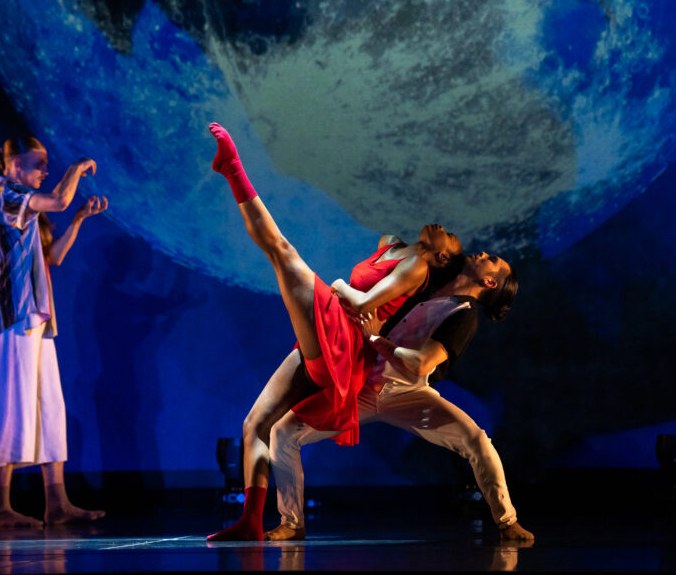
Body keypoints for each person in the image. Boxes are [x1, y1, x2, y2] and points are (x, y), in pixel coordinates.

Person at [206, 123, 463, 541]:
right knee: (255, 424)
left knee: (281, 251)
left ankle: (232, 166)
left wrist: (341, 287)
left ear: (441, 259)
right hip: (331, 340)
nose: (444, 229)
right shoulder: (393, 244)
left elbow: (361, 305)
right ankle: (251, 520)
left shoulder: (419, 265)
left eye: (451, 240)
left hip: (342, 339)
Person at [266, 252, 535, 542]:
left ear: (489, 282)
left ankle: (508, 522)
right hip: (364, 387)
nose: (483, 254)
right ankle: (292, 523)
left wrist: (375, 339)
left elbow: (421, 363)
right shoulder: (428, 283)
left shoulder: (464, 315)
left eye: (492, 259)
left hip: (410, 395)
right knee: (283, 432)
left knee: (477, 441)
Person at [0, 136, 108, 528]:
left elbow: (53, 256)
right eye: (39, 164)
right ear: (15, 165)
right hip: (12, 314)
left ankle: (57, 501)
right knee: (11, 405)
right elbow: (58, 199)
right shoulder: (5, 195)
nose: (45, 171)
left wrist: (79, 220)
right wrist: (77, 168)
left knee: (48, 405)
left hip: (35, 316)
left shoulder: (24, 205)